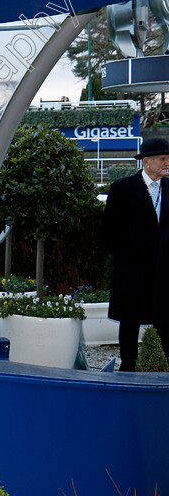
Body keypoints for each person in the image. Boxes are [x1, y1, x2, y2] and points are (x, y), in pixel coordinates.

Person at [103, 137, 169, 370]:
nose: (167, 163)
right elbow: (109, 230)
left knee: (164, 317)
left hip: (163, 268)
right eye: (162, 159)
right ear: (147, 162)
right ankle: (128, 364)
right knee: (129, 318)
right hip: (132, 268)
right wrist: (125, 256)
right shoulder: (122, 188)